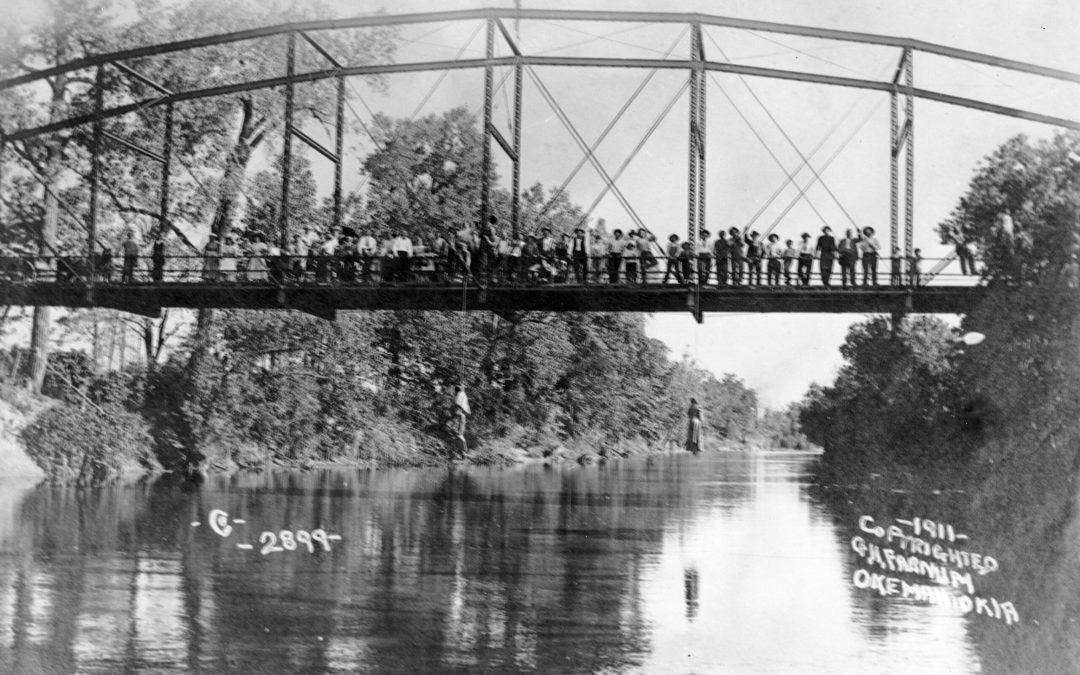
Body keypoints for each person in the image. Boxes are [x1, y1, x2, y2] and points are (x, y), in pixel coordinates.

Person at [453, 384, 470, 458]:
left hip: (460, 416)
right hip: (462, 416)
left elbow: (458, 405)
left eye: (455, 391)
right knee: (458, 434)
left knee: (459, 434)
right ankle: (462, 453)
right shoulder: (462, 395)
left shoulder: (459, 395)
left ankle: (464, 452)